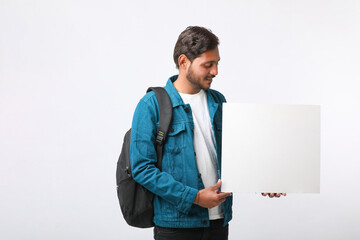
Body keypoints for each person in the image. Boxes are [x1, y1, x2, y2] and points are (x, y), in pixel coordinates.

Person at [130, 26, 285, 240]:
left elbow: (236, 155)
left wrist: (264, 180)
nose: (215, 71)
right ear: (184, 62)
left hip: (218, 222)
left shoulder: (218, 100)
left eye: (217, 64)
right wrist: (193, 197)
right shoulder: (151, 105)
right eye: (208, 65)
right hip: (175, 226)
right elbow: (142, 168)